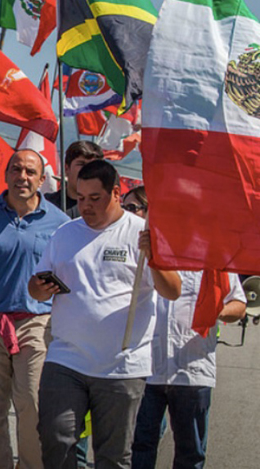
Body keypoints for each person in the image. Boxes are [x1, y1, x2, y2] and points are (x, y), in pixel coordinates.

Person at [30, 160, 182, 469]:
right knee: (55, 438)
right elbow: (36, 288)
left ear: (115, 193)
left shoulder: (143, 233)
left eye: (94, 198)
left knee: (113, 456)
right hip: (66, 359)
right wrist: (40, 287)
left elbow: (172, 290)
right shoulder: (64, 234)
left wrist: (155, 258)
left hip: (121, 366)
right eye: (80, 197)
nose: (85, 206)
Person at [0, 150, 69, 469]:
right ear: (5, 175)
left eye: (31, 172)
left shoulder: (61, 224)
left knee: (34, 408)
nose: (23, 176)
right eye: (16, 169)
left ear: (42, 180)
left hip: (37, 324)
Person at [125, 186, 246, 469]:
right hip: (146, 370)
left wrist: (217, 311)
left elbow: (238, 305)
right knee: (140, 447)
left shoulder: (213, 258)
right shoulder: (143, 254)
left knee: (191, 454)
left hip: (192, 372)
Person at [44, 141, 103, 218]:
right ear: (67, 168)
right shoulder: (46, 204)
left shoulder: (104, 208)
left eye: (93, 166)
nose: (87, 170)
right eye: (81, 164)